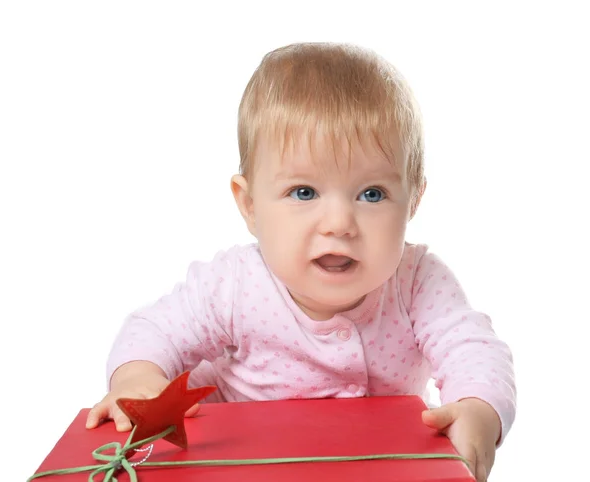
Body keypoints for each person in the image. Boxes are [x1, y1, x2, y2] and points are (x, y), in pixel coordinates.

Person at [86, 42, 516, 481]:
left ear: (413, 201)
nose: (339, 223)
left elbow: (472, 347)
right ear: (250, 204)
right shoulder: (236, 284)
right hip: (244, 464)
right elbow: (155, 329)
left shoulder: (417, 282)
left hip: (371, 463)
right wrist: (137, 380)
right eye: (304, 192)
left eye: (372, 194)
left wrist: (478, 407)